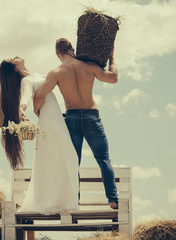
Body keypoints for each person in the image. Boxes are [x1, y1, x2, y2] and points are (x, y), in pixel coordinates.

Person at [34, 38, 119, 209]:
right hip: (91, 117)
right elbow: (113, 78)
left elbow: (39, 95)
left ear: (57, 54)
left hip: (71, 118)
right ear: (72, 50)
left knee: (73, 162)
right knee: (103, 159)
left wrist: (38, 113)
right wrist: (112, 57)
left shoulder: (56, 72)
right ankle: (113, 199)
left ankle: (74, 201)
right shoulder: (89, 66)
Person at [0, 56, 80, 214]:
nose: (16, 56)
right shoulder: (26, 81)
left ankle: (60, 200)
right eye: (12, 59)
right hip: (50, 122)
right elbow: (26, 95)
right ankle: (55, 201)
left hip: (55, 120)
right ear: (14, 67)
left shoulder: (32, 76)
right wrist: (22, 108)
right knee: (64, 156)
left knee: (64, 157)